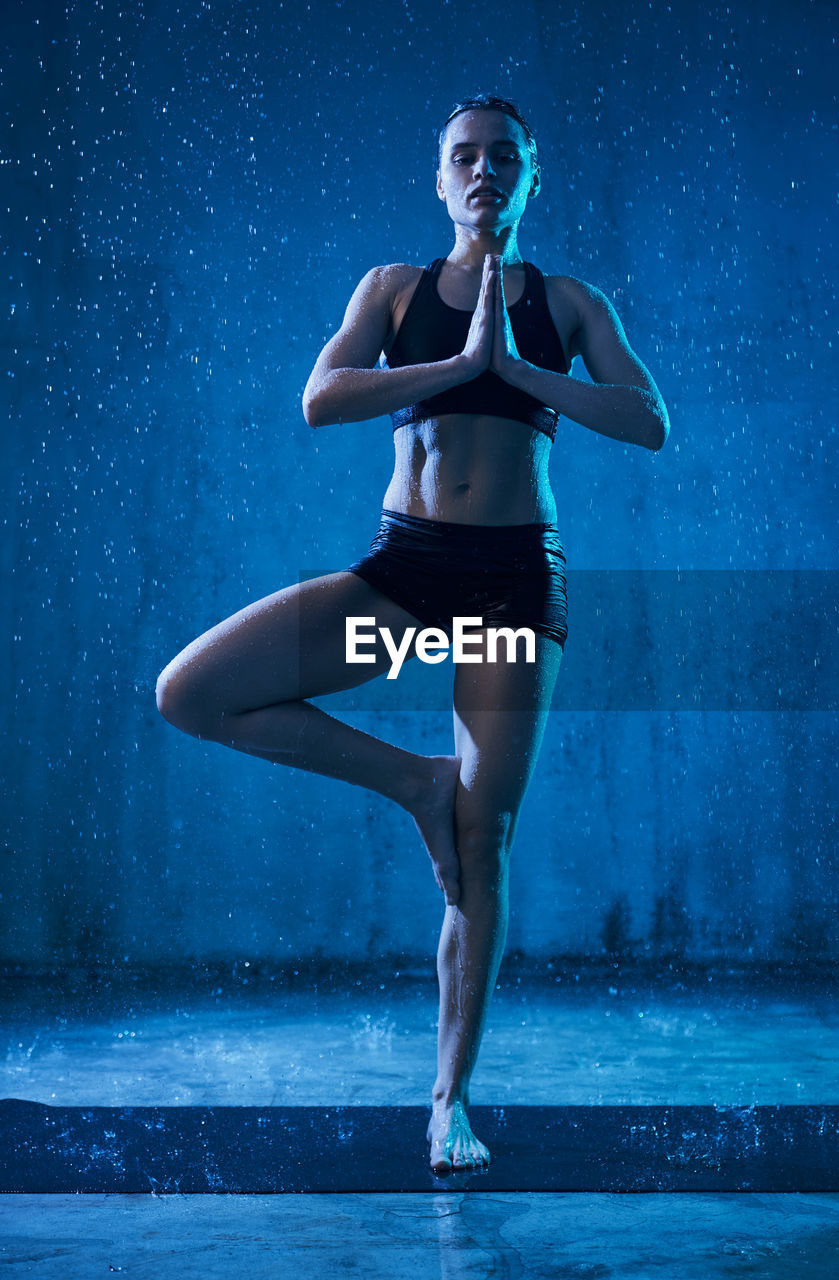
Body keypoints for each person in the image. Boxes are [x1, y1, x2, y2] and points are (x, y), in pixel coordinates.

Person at [156, 94, 670, 1175]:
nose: (482, 172)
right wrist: (455, 363)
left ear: (531, 177)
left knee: (483, 843)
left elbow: (647, 420)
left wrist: (519, 369)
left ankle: (448, 1102)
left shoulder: (566, 301)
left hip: (510, 582)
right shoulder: (392, 290)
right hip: (404, 572)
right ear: (438, 180)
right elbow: (320, 399)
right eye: (462, 158)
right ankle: (413, 782)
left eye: (503, 158)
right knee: (192, 691)